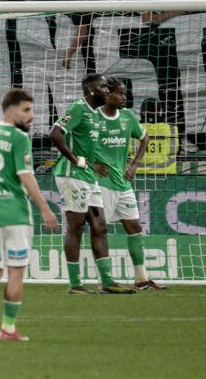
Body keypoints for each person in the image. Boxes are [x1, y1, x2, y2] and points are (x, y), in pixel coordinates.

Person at [0, 88, 60, 342]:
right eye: (26, 110)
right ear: (11, 111)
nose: (32, 116)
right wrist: (45, 209)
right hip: (17, 215)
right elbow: (26, 176)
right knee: (16, 273)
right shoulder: (19, 138)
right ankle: (8, 329)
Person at [48, 73, 134, 294]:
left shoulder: (96, 114)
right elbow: (55, 134)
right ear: (91, 91)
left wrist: (91, 164)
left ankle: (107, 282)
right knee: (76, 227)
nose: (108, 90)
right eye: (104, 87)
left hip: (88, 177)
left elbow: (89, 146)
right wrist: (74, 159)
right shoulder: (78, 108)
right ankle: (75, 284)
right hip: (71, 176)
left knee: (100, 226)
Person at [94, 78, 164, 291]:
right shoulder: (93, 117)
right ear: (108, 95)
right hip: (101, 183)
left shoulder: (127, 117)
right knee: (100, 229)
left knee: (134, 226)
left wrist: (134, 164)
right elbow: (75, 142)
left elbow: (145, 138)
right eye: (121, 94)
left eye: (125, 94)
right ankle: (104, 280)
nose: (125, 98)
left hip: (123, 183)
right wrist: (90, 162)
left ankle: (141, 279)